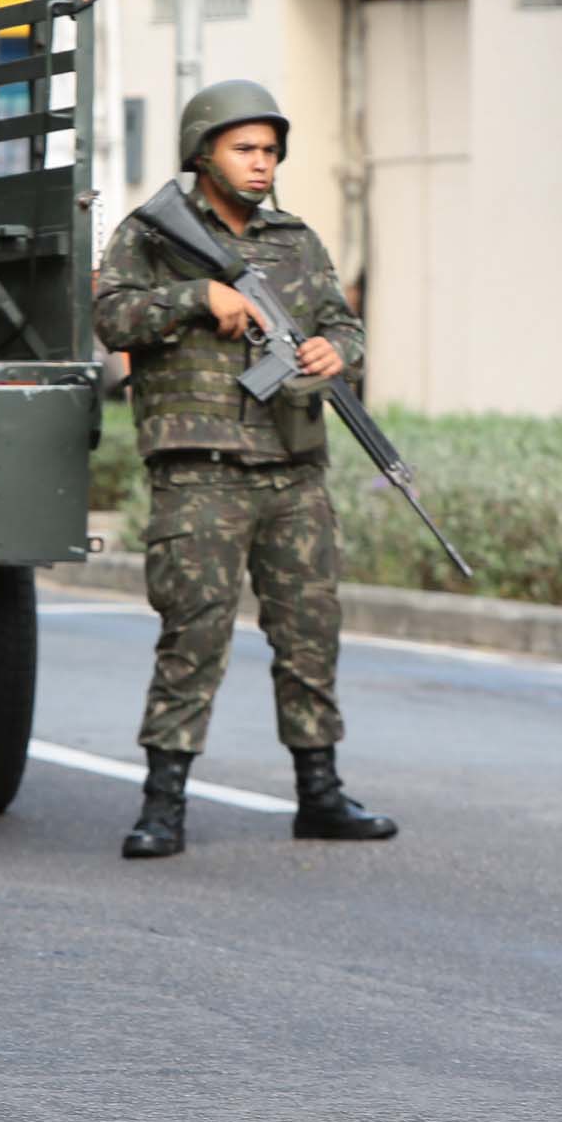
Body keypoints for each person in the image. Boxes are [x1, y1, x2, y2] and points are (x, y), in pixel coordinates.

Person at [92, 79, 394, 862]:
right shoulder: (150, 235)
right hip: (201, 473)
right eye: (245, 149)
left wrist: (339, 352)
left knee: (309, 637)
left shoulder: (294, 239)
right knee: (193, 637)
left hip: (293, 472)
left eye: (270, 151)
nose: (263, 165)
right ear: (203, 153)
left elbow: (342, 324)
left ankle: (320, 794)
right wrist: (198, 296)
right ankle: (163, 805)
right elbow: (112, 316)